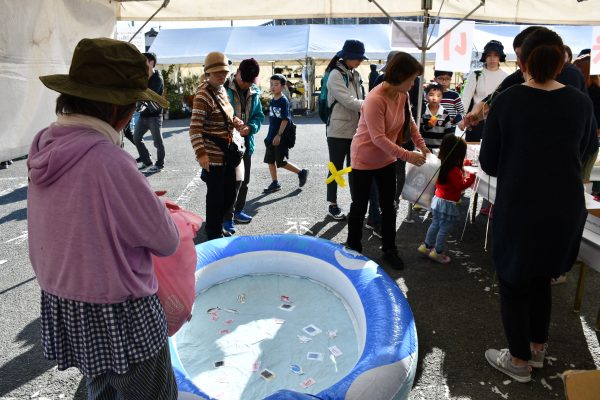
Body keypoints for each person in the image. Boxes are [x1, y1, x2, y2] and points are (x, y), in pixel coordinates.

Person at [28, 38, 180, 399]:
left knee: (102, 388)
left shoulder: (45, 146)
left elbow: (80, 213)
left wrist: (131, 199)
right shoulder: (109, 162)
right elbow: (166, 240)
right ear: (118, 109)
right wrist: (149, 205)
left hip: (67, 305)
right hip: (121, 314)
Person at [479, 28, 595, 383]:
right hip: (565, 207)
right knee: (542, 278)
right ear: (561, 62)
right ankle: (537, 350)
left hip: (521, 204)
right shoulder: (580, 101)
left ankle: (518, 361)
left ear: (522, 62)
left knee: (514, 282)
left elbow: (489, 161)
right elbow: (586, 149)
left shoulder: (509, 99)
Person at [345, 52, 429, 270]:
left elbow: (409, 122)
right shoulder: (375, 99)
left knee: (389, 206)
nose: (413, 84)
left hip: (387, 159)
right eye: (411, 79)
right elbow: (378, 138)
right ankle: (353, 248)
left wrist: (422, 145)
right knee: (359, 205)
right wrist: (409, 155)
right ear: (400, 76)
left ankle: (389, 249)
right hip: (363, 158)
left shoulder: (402, 96)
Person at [189, 51, 246, 240]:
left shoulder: (221, 90)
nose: (222, 75)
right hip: (213, 157)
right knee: (215, 199)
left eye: (224, 72)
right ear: (208, 73)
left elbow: (227, 115)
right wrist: (201, 154)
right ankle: (213, 235)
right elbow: (195, 129)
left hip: (227, 154)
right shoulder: (203, 95)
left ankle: (219, 226)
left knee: (229, 195)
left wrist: (237, 123)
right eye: (218, 72)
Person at [221, 58, 265, 235]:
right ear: (237, 72)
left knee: (244, 181)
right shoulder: (224, 88)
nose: (246, 85)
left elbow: (259, 115)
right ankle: (226, 218)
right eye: (243, 81)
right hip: (228, 143)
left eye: (249, 82)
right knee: (231, 182)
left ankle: (238, 211)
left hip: (246, 143)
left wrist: (250, 127)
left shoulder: (254, 91)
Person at [324, 39, 366, 220]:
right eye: (357, 58)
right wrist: (371, 105)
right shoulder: (335, 74)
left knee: (355, 168)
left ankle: (356, 203)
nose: (360, 61)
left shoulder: (354, 74)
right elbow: (348, 101)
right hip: (338, 130)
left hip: (355, 130)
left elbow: (357, 99)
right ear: (347, 57)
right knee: (336, 167)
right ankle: (332, 205)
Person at [417, 134, 475, 263]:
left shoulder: (441, 163)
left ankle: (426, 246)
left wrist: (464, 164)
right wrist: (471, 177)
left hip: (437, 200)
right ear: (458, 154)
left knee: (435, 224)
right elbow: (460, 186)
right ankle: (437, 252)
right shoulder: (454, 169)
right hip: (448, 204)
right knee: (444, 229)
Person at [263, 74, 308, 193]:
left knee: (281, 162)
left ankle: (301, 172)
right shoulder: (273, 100)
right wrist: (271, 136)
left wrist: (278, 135)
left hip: (279, 137)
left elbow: (285, 120)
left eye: (276, 84)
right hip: (271, 136)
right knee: (269, 160)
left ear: (283, 87)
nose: (273, 87)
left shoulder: (283, 101)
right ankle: (275, 183)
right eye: (271, 84)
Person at [460, 40, 508, 142]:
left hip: (497, 121)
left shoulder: (506, 77)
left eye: (495, 55)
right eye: (489, 55)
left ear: (500, 57)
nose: (492, 59)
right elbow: (466, 98)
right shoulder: (476, 74)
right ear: (485, 57)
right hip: (475, 119)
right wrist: (462, 118)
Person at [133, 52, 166, 172]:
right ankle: (147, 161)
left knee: (157, 142)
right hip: (143, 115)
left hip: (154, 115)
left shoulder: (158, 78)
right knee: (136, 138)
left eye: (144, 60)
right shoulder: (142, 76)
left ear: (151, 63)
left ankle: (160, 164)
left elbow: (148, 95)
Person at [420, 83, 454, 148]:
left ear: (442, 97)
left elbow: (448, 133)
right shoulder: (422, 111)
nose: (434, 98)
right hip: (423, 148)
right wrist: (428, 126)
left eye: (438, 96)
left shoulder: (445, 114)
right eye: (431, 95)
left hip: (439, 149)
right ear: (426, 96)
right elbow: (418, 130)